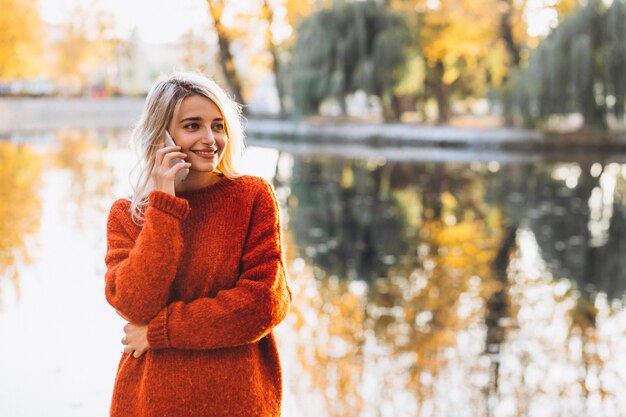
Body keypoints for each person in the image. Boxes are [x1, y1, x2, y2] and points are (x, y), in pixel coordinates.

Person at [103, 71, 291, 417]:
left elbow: (262, 305)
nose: (210, 139)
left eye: (218, 125)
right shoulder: (128, 215)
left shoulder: (252, 197)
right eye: (192, 126)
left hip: (238, 403)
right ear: (161, 135)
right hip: (150, 402)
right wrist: (163, 206)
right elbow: (135, 305)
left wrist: (161, 332)